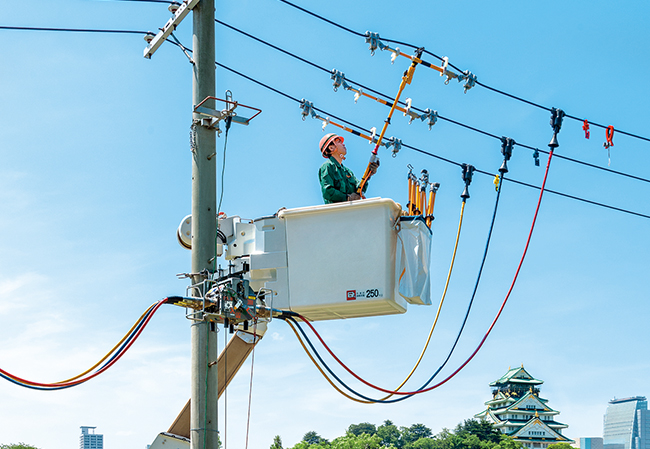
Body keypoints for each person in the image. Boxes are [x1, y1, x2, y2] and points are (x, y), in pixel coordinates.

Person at [318, 133, 379, 204]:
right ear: (331, 148)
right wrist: (347, 198)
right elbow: (327, 191)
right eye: (339, 142)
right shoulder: (327, 166)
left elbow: (359, 189)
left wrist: (368, 174)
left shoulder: (347, 171)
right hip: (335, 212)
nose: (343, 144)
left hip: (350, 210)